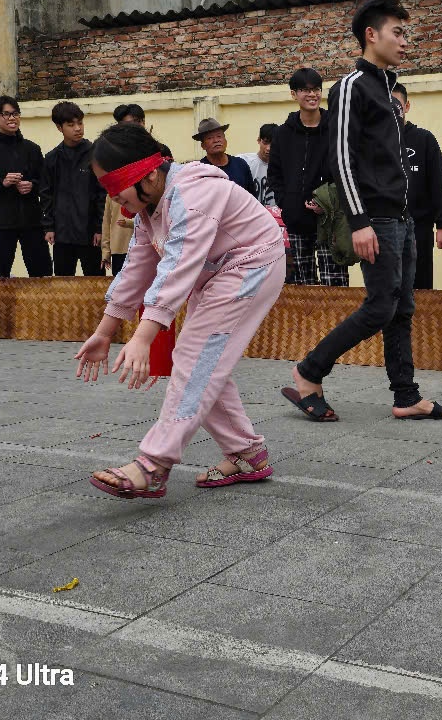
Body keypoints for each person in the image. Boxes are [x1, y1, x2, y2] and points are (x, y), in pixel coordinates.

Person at [76, 124, 287, 499]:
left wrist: (143, 336)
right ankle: (247, 453)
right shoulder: (150, 205)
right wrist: (105, 332)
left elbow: (176, 268)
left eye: (114, 186)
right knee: (204, 359)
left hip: (252, 263)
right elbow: (138, 267)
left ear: (150, 174)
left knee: (195, 355)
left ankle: (153, 464)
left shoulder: (191, 194)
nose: (113, 197)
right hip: (221, 269)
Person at [285, 0, 442, 422]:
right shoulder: (351, 86)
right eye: (398, 32)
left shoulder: (386, 89)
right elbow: (340, 158)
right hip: (375, 219)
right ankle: (309, 371)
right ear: (371, 35)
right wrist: (359, 221)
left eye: (406, 33)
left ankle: (406, 396)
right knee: (381, 306)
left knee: (402, 309)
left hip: (400, 220)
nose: (405, 41)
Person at [267, 68, 348, 286]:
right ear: (294, 94)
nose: (312, 95)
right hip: (297, 220)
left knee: (335, 286)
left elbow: (349, 170)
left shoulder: (337, 129)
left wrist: (329, 202)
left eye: (316, 89)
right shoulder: (283, 134)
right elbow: (275, 174)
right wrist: (288, 204)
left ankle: (340, 322)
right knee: (303, 287)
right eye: (305, 90)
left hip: (330, 220)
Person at [0, 96, 51, 277]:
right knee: (1, 277)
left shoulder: (32, 149)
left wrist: (32, 185)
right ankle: (2, 307)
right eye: (6, 114)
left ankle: (41, 306)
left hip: (32, 221)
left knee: (42, 274)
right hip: (1, 224)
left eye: (15, 114)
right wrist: (3, 183)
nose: (12, 118)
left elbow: (46, 184)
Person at [392, 83, 442, 289]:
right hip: (385, 227)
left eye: (396, 104)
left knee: (420, 284)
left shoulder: (425, 140)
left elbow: (438, 184)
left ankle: (421, 322)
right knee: (388, 288)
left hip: (420, 228)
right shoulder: (373, 142)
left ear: (406, 106)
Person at [101, 104, 170, 274]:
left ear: (144, 123)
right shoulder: (114, 155)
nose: (135, 128)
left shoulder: (160, 150)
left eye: (138, 122)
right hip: (122, 237)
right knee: (127, 282)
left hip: (156, 228)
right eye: (128, 125)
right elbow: (109, 204)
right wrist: (106, 247)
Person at [41, 101, 106, 276]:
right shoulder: (52, 158)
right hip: (62, 235)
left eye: (80, 123)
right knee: (62, 286)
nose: (78, 128)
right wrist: (49, 227)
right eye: (71, 124)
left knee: (95, 285)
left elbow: (102, 193)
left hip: (90, 234)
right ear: (59, 127)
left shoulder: (95, 154)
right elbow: (46, 195)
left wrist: (100, 228)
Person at [194, 117, 256, 197]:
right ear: (203, 146)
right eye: (210, 138)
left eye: (219, 136)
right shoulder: (199, 170)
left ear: (225, 140)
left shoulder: (240, 164)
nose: (216, 140)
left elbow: (252, 197)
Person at [239, 124, 278, 206]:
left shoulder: (285, 167)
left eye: (273, 144)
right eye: (265, 142)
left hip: (275, 216)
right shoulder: (243, 161)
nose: (268, 148)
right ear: (258, 140)